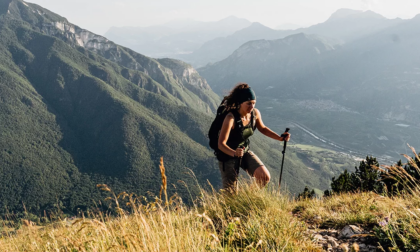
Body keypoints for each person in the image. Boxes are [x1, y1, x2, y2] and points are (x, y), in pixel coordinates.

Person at [217, 83, 290, 191]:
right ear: (240, 103)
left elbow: (263, 128)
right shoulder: (230, 118)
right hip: (228, 155)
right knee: (230, 194)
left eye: (254, 103)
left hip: (244, 150)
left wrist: (280, 138)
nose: (252, 107)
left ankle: (248, 200)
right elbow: (221, 144)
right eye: (249, 103)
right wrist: (234, 153)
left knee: (264, 177)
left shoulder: (255, 114)